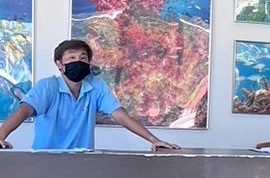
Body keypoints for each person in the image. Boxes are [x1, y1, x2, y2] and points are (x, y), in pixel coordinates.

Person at [0, 39, 179, 152]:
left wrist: (154, 140)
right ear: (59, 64)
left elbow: (121, 116)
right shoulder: (48, 86)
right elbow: (23, 111)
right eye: (71, 58)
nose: (78, 61)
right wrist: (1, 136)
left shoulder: (96, 86)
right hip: (45, 161)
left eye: (83, 58)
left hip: (83, 162)